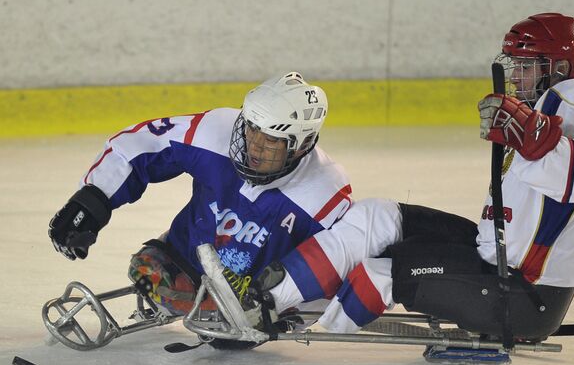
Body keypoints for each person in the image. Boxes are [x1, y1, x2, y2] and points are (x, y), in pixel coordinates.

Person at [242, 13, 574, 342]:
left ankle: (275, 314)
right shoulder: (546, 109)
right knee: (378, 216)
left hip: (522, 296)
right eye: (514, 64)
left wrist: (536, 138)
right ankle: (268, 295)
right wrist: (535, 136)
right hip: (496, 262)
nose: (517, 77)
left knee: (378, 274)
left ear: (559, 67)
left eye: (527, 66)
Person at [48, 72, 352, 319]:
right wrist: (94, 197)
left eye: (271, 139)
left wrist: (276, 311)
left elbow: (336, 266)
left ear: (301, 145)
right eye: (252, 129)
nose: (254, 145)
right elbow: (144, 143)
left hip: (258, 295)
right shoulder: (217, 129)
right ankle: (211, 309)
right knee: (146, 268)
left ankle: (230, 311)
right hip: (187, 257)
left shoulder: (325, 191)